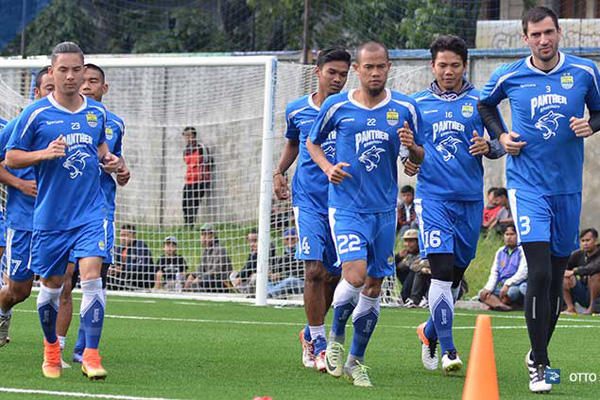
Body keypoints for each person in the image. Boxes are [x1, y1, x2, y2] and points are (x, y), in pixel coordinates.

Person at [478, 6, 600, 393]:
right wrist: (501, 137)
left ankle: (537, 352)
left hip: (567, 188)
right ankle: (541, 365)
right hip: (526, 186)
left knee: (555, 279)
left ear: (560, 32)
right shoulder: (509, 75)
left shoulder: (585, 71)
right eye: (536, 34)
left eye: (549, 32)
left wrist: (590, 124)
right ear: (525, 38)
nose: (543, 40)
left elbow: (599, 110)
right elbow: (485, 106)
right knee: (541, 272)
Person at [307, 41, 423, 387]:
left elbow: (418, 158)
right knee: (355, 276)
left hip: (385, 212)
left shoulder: (405, 108)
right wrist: (328, 168)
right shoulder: (336, 105)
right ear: (357, 70)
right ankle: (336, 336)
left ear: (389, 67)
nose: (375, 73)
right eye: (368, 67)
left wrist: (412, 149)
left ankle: (357, 360)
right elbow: (313, 143)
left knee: (374, 285)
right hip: (345, 207)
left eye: (381, 67)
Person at [5, 41, 121, 380]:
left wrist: (111, 160)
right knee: (52, 287)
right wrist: (43, 154)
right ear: (52, 73)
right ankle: (51, 350)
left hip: (90, 212)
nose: (71, 76)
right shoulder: (36, 114)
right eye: (63, 70)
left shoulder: (96, 113)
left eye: (76, 70)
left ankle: (91, 355)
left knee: (92, 278)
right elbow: (12, 157)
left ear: (84, 71)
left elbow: (100, 147)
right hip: (50, 217)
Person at [412, 34, 506, 374]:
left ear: (464, 65)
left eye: (454, 65)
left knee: (455, 276)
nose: (448, 71)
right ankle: (449, 349)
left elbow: (501, 141)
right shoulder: (417, 103)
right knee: (440, 272)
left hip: (469, 200)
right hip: (433, 197)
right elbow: (407, 148)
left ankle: (428, 331)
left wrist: (489, 148)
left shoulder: (481, 101)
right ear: (432, 66)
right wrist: (409, 160)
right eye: (442, 65)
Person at [272, 48, 350, 371]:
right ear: (317, 71)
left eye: (344, 74)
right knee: (314, 270)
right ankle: (319, 343)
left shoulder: (351, 108)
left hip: (343, 202)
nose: (338, 79)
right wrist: (280, 171)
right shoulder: (297, 109)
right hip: (307, 200)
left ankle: (308, 331)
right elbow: (293, 142)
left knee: (335, 276)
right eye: (332, 72)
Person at [56, 62, 130, 368]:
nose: (86, 84)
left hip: (99, 210)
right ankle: (55, 345)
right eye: (82, 80)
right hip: (64, 210)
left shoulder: (114, 124)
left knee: (96, 276)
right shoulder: (62, 117)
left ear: (104, 88)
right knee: (63, 279)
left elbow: (119, 163)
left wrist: (122, 171)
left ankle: (84, 347)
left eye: (93, 81)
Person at [0, 66, 52, 348]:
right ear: (36, 92)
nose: (55, 94)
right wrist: (20, 185)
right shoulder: (17, 125)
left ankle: (59, 350)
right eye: (48, 89)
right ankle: (2, 311)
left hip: (59, 222)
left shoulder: (72, 124)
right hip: (22, 221)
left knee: (61, 283)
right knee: (19, 291)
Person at [479, 224, 528, 311]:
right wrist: (488, 288)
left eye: (512, 234)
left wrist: (507, 284)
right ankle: (504, 306)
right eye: (507, 234)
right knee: (482, 293)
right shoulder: (500, 252)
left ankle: (497, 304)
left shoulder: (522, 250)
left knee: (512, 292)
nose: (509, 237)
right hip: (503, 288)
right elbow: (495, 273)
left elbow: (523, 273)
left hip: (516, 285)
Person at [562, 228, 600, 315]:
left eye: (588, 240)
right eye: (582, 241)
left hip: (598, 296)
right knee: (564, 277)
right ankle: (570, 308)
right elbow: (565, 266)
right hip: (583, 291)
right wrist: (566, 273)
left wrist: (574, 272)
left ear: (595, 241)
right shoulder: (578, 254)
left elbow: (594, 267)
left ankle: (592, 308)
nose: (585, 243)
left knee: (594, 276)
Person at [185, 224, 232, 292]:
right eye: (202, 235)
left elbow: (216, 271)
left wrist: (200, 278)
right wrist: (192, 275)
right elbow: (201, 268)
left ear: (213, 235)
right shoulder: (205, 250)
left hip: (221, 281)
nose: (204, 237)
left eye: (206, 234)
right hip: (207, 278)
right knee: (188, 277)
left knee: (204, 279)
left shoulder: (219, 250)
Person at [230, 228, 275, 294]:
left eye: (255, 241)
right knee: (233, 275)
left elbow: (253, 265)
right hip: (253, 274)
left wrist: (241, 277)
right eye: (250, 241)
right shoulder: (253, 251)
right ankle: (243, 291)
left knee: (255, 276)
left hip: (267, 275)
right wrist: (240, 275)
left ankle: (248, 293)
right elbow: (248, 265)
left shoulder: (268, 249)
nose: (252, 244)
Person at [182, 126, 211, 227]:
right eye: (186, 136)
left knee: (193, 203)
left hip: (200, 181)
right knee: (185, 204)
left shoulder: (201, 148)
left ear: (195, 136)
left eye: (190, 135)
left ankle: (190, 225)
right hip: (189, 181)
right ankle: (187, 224)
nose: (188, 138)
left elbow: (208, 161)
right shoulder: (186, 150)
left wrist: (204, 177)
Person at [109, 224, 154, 290]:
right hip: (123, 277)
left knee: (132, 273)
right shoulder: (119, 249)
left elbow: (142, 266)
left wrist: (123, 269)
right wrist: (112, 269)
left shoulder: (140, 247)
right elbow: (115, 263)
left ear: (134, 236)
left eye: (126, 235)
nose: (123, 238)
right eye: (122, 235)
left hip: (141, 279)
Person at [267, 228, 304, 298]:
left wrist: (282, 275)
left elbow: (301, 272)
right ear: (284, 241)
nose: (290, 241)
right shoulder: (284, 255)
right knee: (266, 280)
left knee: (290, 280)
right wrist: (272, 274)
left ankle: (269, 295)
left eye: (292, 239)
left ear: (297, 239)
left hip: (300, 282)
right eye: (287, 239)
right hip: (285, 283)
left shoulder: (301, 253)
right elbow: (278, 269)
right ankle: (273, 294)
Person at [395, 228, 421, 305]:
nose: (407, 244)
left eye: (411, 241)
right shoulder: (408, 255)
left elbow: (414, 266)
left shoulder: (423, 254)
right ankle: (386, 295)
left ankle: (405, 297)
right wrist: (398, 257)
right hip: (410, 285)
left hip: (424, 286)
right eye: (406, 241)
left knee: (414, 270)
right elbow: (393, 265)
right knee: (396, 269)